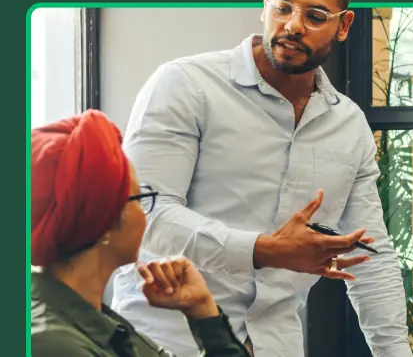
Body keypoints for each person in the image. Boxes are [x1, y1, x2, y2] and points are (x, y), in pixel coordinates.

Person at [111, 0, 411, 357]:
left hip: (275, 343)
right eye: (282, 7)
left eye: (315, 16)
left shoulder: (349, 125)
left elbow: (370, 254)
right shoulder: (186, 85)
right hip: (167, 340)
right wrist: (261, 249)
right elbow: (145, 213)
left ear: (344, 26)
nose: (292, 25)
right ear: (265, 4)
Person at [30, 110, 250, 357]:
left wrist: (202, 311)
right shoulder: (53, 345)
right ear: (105, 222)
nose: (145, 212)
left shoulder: (101, 325)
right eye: (139, 197)